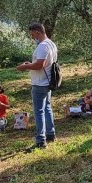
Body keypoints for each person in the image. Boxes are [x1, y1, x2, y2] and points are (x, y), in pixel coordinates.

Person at [17, 23, 57, 151]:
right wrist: (31, 64)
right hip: (48, 81)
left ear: (37, 32)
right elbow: (45, 64)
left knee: (39, 112)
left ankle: (41, 141)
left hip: (40, 83)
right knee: (47, 108)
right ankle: (51, 134)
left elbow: (40, 65)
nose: (31, 36)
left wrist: (25, 67)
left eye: (32, 34)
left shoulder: (42, 46)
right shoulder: (51, 43)